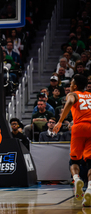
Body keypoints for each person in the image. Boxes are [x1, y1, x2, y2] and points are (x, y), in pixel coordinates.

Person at [53, 74, 91, 206]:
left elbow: (69, 103)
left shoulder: (73, 94)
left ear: (74, 86)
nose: (69, 86)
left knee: (74, 161)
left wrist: (60, 122)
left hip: (79, 128)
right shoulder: (90, 95)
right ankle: (90, 190)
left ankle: (76, 179)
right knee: (90, 162)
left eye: (71, 83)